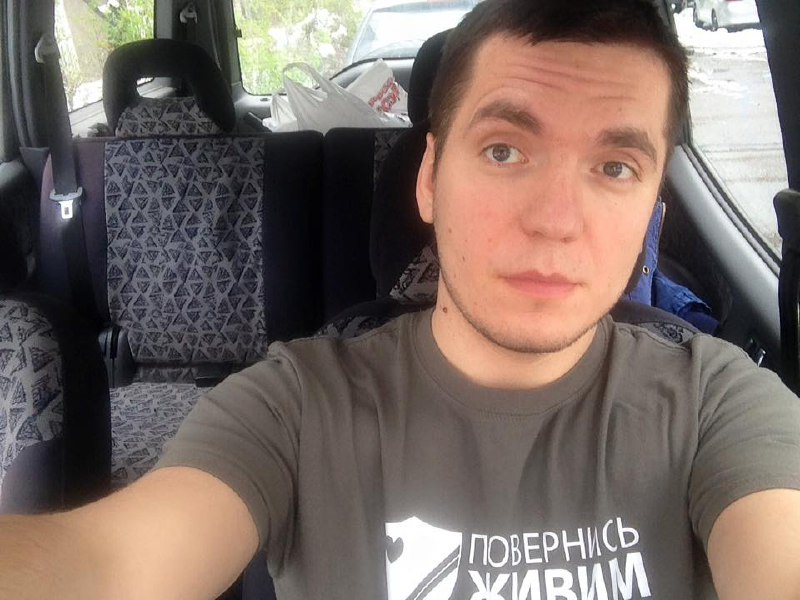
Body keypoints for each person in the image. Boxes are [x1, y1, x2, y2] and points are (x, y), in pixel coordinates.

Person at [2, 0, 800, 597]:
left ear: (653, 210)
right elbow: (108, 565)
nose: (556, 221)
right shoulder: (295, 405)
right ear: (428, 180)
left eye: (614, 168)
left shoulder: (719, 402)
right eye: (504, 150)